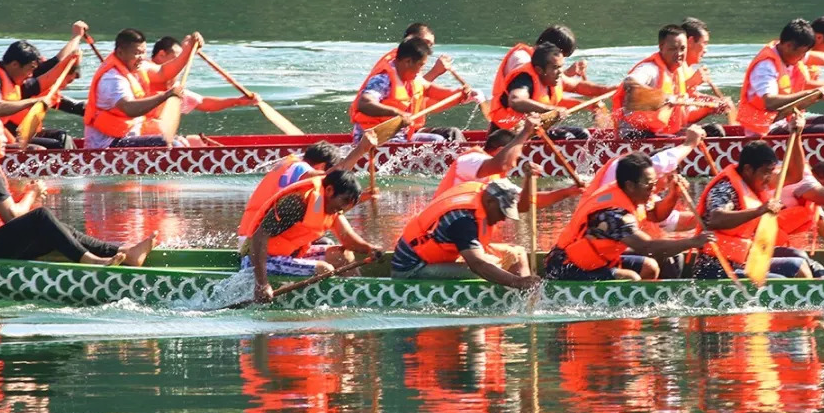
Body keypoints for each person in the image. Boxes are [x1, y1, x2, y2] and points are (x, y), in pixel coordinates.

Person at [0, 114, 155, 265]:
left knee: (56, 228)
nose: (7, 139)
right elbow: (10, 217)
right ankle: (92, 261)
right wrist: (31, 194)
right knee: (41, 216)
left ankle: (124, 252)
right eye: (1, 134)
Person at [546, 152, 714, 281]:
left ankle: (650, 314)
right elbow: (647, 247)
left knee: (650, 267)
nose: (654, 190)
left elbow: (656, 215)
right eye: (649, 186)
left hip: (597, 261)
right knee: (631, 277)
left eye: (655, 184)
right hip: (567, 267)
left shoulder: (633, 195)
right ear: (630, 185)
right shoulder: (613, 214)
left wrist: (673, 195)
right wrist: (693, 241)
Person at [694, 136, 824, 280]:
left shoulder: (755, 182)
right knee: (780, 282)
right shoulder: (725, 189)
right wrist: (759, 211)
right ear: (748, 169)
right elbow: (715, 219)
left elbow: (794, 175)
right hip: (715, 268)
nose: (769, 177)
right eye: (766, 172)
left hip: (743, 261)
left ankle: (814, 298)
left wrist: (796, 135)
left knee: (798, 264)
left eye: (771, 171)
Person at [245, 170, 384, 302]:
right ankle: (335, 301)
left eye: (349, 204)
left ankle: (357, 296)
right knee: (324, 269)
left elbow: (349, 240)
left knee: (344, 255)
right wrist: (262, 284)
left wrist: (370, 249)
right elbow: (258, 237)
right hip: (258, 261)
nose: (345, 207)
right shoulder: (297, 202)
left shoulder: (332, 207)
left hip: (290, 255)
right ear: (329, 190)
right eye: (345, 200)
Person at [0, 22, 86, 149]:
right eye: (30, 69)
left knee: (62, 139)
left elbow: (54, 63)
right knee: (41, 149)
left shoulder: (18, 81)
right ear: (15, 64)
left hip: (0, 137)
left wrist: (76, 37)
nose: (31, 74)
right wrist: (34, 101)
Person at [390, 179, 537, 288]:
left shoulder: (482, 196)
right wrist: (516, 281)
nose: (503, 218)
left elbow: (524, 206)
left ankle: (526, 298)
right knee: (491, 267)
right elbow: (478, 265)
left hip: (436, 258)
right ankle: (517, 292)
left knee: (516, 253)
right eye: (502, 212)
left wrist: (529, 177)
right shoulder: (463, 220)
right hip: (412, 269)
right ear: (490, 201)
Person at [237, 132, 376, 247]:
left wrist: (357, 200)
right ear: (322, 166)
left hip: (256, 235)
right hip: (256, 241)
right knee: (326, 244)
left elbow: (326, 208)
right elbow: (331, 176)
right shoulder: (299, 167)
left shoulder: (292, 171)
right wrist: (360, 150)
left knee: (322, 242)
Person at [735, 18, 824, 137]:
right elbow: (770, 102)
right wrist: (810, 94)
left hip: (787, 119)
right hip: (764, 129)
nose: (803, 57)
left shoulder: (791, 53)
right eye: (802, 53)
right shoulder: (766, 66)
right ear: (788, 46)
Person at [83, 29, 201, 148]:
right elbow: (129, 108)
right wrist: (165, 96)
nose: (142, 57)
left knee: (180, 141)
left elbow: (164, 72)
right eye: (137, 53)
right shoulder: (112, 79)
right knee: (172, 144)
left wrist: (188, 50)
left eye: (144, 52)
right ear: (120, 53)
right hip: (107, 146)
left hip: (128, 138)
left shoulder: (136, 67)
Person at [433, 114, 581, 209]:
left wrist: (567, 192)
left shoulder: (497, 179)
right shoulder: (470, 160)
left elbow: (525, 204)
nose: (516, 163)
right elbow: (503, 164)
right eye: (516, 156)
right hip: (441, 230)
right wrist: (526, 132)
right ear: (501, 150)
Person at [612, 24, 731, 138]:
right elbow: (629, 82)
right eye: (673, 49)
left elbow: (685, 116)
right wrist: (664, 97)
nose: (679, 54)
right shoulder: (650, 69)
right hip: (635, 135)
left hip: (662, 133)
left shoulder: (677, 74)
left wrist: (709, 109)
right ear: (661, 47)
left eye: (682, 48)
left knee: (715, 131)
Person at [584, 126, 707, 233]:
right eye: (668, 178)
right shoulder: (623, 168)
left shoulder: (644, 195)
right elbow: (661, 162)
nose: (667, 186)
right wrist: (690, 143)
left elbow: (666, 218)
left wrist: (712, 219)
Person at [349, 37, 473, 143]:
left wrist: (459, 94)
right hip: (372, 139)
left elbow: (430, 90)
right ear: (408, 62)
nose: (421, 70)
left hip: (400, 137)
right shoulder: (383, 79)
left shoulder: (412, 79)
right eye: (421, 65)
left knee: (449, 136)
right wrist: (397, 113)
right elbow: (364, 103)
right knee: (437, 142)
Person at [488, 42, 613, 139]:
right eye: (555, 68)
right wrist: (551, 109)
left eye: (561, 67)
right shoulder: (525, 79)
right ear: (539, 70)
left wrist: (615, 88)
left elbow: (578, 86)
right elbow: (515, 100)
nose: (560, 72)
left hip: (532, 131)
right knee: (567, 138)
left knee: (582, 134)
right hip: (507, 137)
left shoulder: (551, 77)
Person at [147, 37, 257, 116]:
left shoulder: (173, 88)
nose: (181, 64)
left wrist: (238, 101)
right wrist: (188, 48)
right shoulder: (143, 72)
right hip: (137, 137)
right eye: (177, 58)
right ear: (161, 54)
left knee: (194, 140)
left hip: (158, 137)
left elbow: (203, 103)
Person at [492, 24, 588, 101]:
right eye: (558, 54)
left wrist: (567, 74)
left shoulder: (544, 62)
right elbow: (532, 85)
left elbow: (543, 89)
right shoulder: (522, 59)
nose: (560, 59)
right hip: (509, 121)